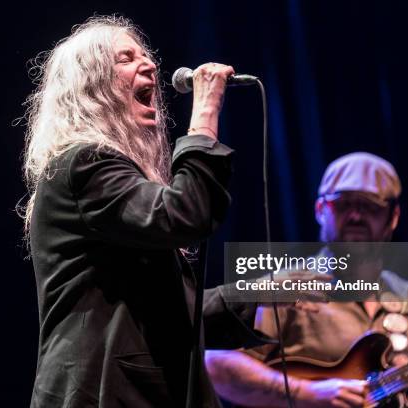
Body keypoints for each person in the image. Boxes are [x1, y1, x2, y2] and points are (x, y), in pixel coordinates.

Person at [21, 15, 269, 408]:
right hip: (104, 392)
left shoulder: (107, 177)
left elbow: (170, 310)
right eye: (125, 58)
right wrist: (204, 118)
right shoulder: (86, 164)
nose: (150, 64)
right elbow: (185, 214)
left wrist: (267, 295)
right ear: (92, 87)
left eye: (145, 55)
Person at [205, 152, 408, 407]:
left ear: (393, 218)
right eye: (343, 204)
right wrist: (306, 394)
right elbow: (215, 363)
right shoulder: (286, 287)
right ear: (320, 209)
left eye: (370, 206)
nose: (356, 216)